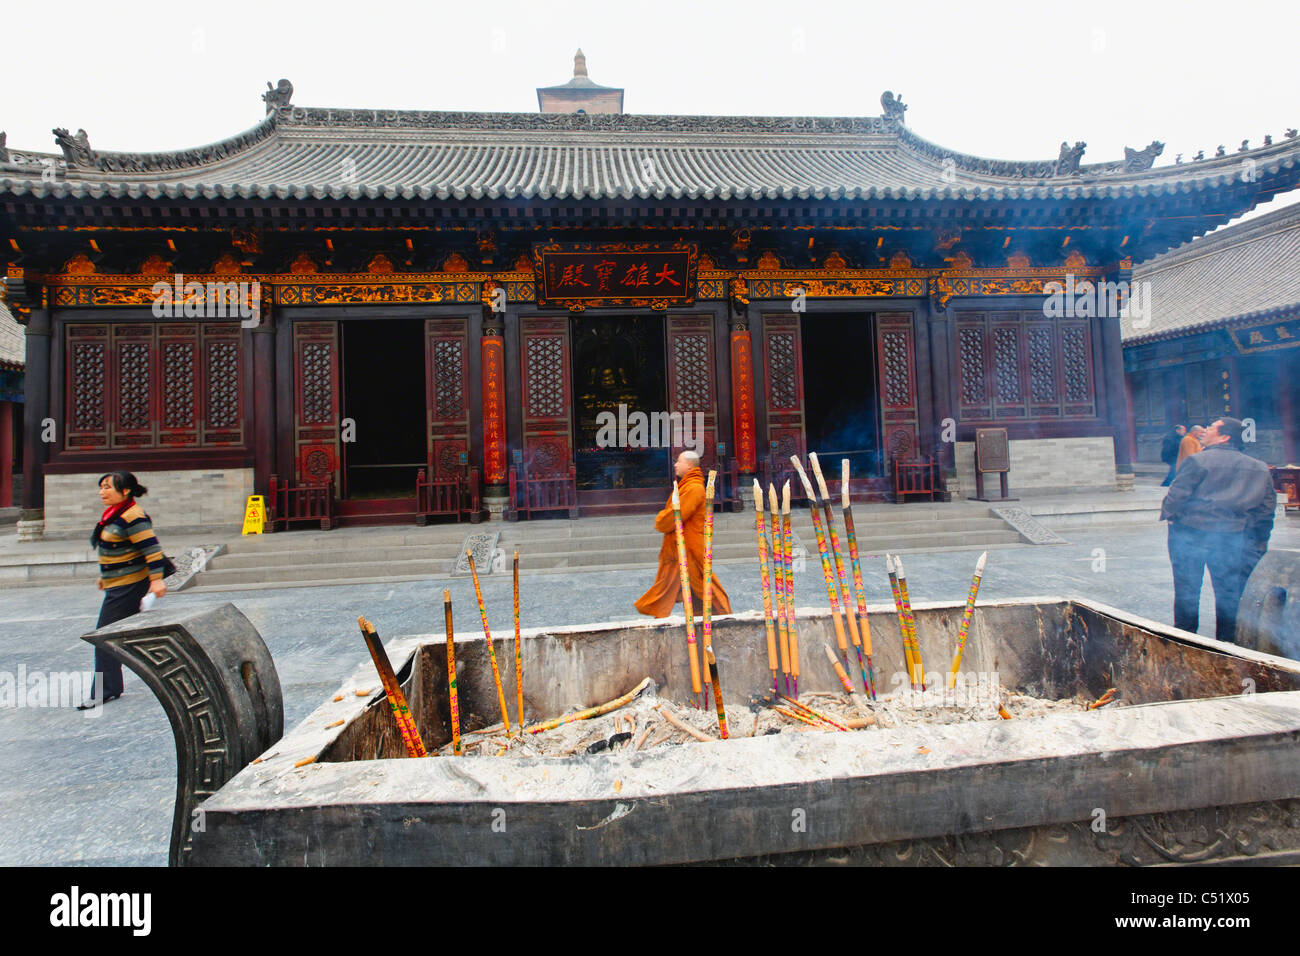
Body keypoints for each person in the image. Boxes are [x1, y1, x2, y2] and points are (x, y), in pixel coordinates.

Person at [1160, 417, 1275, 643]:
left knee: (1187, 590)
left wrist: (1171, 518)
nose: (1205, 430)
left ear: (1225, 436)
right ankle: (1227, 643)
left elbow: (1176, 497)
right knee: (1229, 593)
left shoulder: (1197, 461)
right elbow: (1266, 509)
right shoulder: (1259, 467)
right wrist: (1257, 541)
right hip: (1233, 538)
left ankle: (1185, 640)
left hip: (1191, 534)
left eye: (1212, 427)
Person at [78, 471, 167, 710]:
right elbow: (118, 549)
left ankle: (105, 690)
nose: (102, 492)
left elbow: (152, 550)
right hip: (118, 584)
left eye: (107, 487)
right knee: (117, 634)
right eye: (101, 487)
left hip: (129, 586)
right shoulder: (114, 514)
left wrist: (156, 580)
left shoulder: (133, 516)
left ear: (125, 491)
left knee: (104, 636)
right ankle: (111, 687)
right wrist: (105, 576)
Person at [634, 450, 732, 618]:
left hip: (690, 547)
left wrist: (660, 520)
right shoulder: (688, 484)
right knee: (673, 584)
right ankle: (701, 616)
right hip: (681, 546)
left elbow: (676, 515)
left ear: (689, 465)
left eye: (678, 462)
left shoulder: (694, 488)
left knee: (704, 585)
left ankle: (724, 617)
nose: (675, 465)